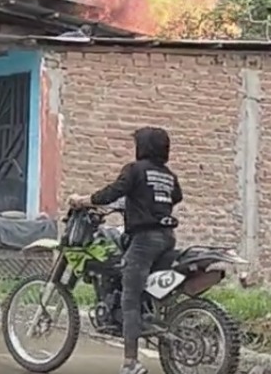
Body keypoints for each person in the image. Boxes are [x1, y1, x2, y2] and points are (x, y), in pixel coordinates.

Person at [68, 126, 182, 374]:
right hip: (166, 237)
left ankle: (131, 362)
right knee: (139, 288)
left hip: (143, 240)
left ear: (143, 147)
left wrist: (84, 200)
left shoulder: (135, 170)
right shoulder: (168, 175)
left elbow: (113, 191)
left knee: (129, 297)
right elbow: (176, 197)